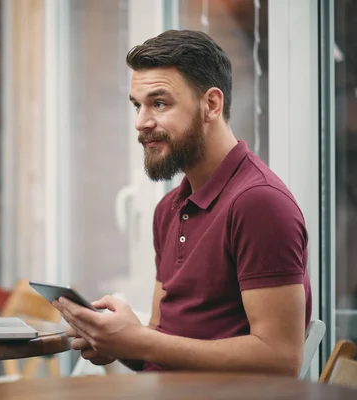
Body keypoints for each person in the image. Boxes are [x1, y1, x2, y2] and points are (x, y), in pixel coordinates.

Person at [52, 29, 312, 376]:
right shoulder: (169, 208)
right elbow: (164, 344)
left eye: (159, 103)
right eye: (137, 105)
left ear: (211, 105)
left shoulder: (259, 203)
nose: (141, 122)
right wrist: (117, 343)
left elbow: (281, 359)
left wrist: (139, 341)